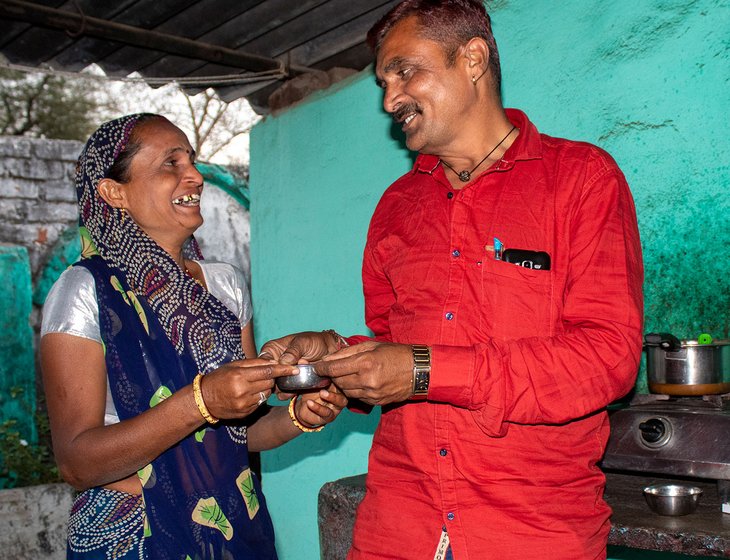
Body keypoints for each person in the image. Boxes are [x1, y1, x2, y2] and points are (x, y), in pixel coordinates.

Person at [260, 1, 644, 559]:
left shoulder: (582, 180)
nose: (390, 99)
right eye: (384, 83)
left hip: (530, 532)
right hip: (398, 526)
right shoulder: (397, 207)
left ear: (472, 59)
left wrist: (421, 370)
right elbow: (395, 349)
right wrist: (334, 355)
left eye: (405, 72)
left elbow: (606, 359)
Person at [40, 113, 347, 560]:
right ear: (113, 192)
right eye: (171, 163)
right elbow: (76, 463)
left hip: (232, 528)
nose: (195, 176)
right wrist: (200, 401)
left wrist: (300, 416)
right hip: (135, 538)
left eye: (193, 160)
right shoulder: (84, 291)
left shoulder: (225, 285)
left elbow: (238, 434)